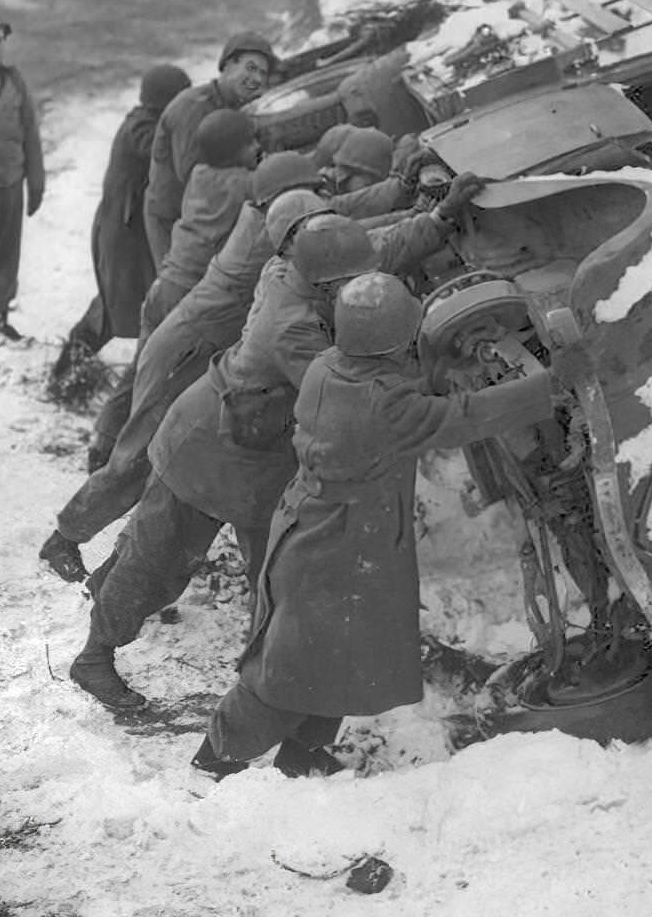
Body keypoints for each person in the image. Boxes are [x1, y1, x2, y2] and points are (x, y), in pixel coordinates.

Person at [68, 174, 482, 712]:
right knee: (158, 567)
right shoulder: (291, 328)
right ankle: (94, 656)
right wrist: (429, 374)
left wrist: (439, 219)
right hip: (209, 451)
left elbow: (373, 250)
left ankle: (269, 685)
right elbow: (354, 395)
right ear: (329, 283)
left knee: (278, 576)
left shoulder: (307, 265)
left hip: (257, 455)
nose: (362, 285)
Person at [192, 272, 555, 779]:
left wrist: (443, 366)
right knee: (286, 673)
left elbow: (403, 391)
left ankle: (302, 756)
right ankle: (214, 762)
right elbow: (465, 416)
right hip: (336, 550)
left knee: (343, 652)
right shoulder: (387, 408)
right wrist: (552, 384)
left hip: (329, 534)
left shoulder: (329, 367)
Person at [39, 147, 418, 585]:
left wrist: (404, 199)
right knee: (141, 459)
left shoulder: (282, 226)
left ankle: (117, 567)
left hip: (203, 347)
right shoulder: (272, 239)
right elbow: (350, 234)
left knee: (169, 468)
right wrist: (410, 209)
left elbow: (344, 223)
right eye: (312, 193)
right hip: (186, 350)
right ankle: (65, 537)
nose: (323, 201)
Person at [86, 108, 261, 470]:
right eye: (251, 142)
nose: (258, 147)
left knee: (141, 372)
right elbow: (277, 186)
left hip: (163, 286)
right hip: (188, 297)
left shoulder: (199, 174)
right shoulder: (243, 185)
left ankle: (103, 442)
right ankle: (136, 465)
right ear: (234, 151)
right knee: (168, 390)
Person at [51, 65, 192, 384]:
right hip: (123, 235)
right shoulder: (141, 130)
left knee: (133, 302)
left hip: (133, 232)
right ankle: (66, 373)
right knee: (116, 307)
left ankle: (73, 371)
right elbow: (167, 154)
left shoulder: (148, 123)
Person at [142, 31, 276, 268]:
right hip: (174, 221)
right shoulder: (193, 108)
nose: (256, 79)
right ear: (227, 65)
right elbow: (193, 176)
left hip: (206, 218)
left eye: (262, 74)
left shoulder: (236, 106)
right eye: (251, 68)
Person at [0, 8, 45, 342]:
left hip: (10, 182)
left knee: (7, 253)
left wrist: (35, 182)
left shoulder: (14, 81)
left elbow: (30, 133)